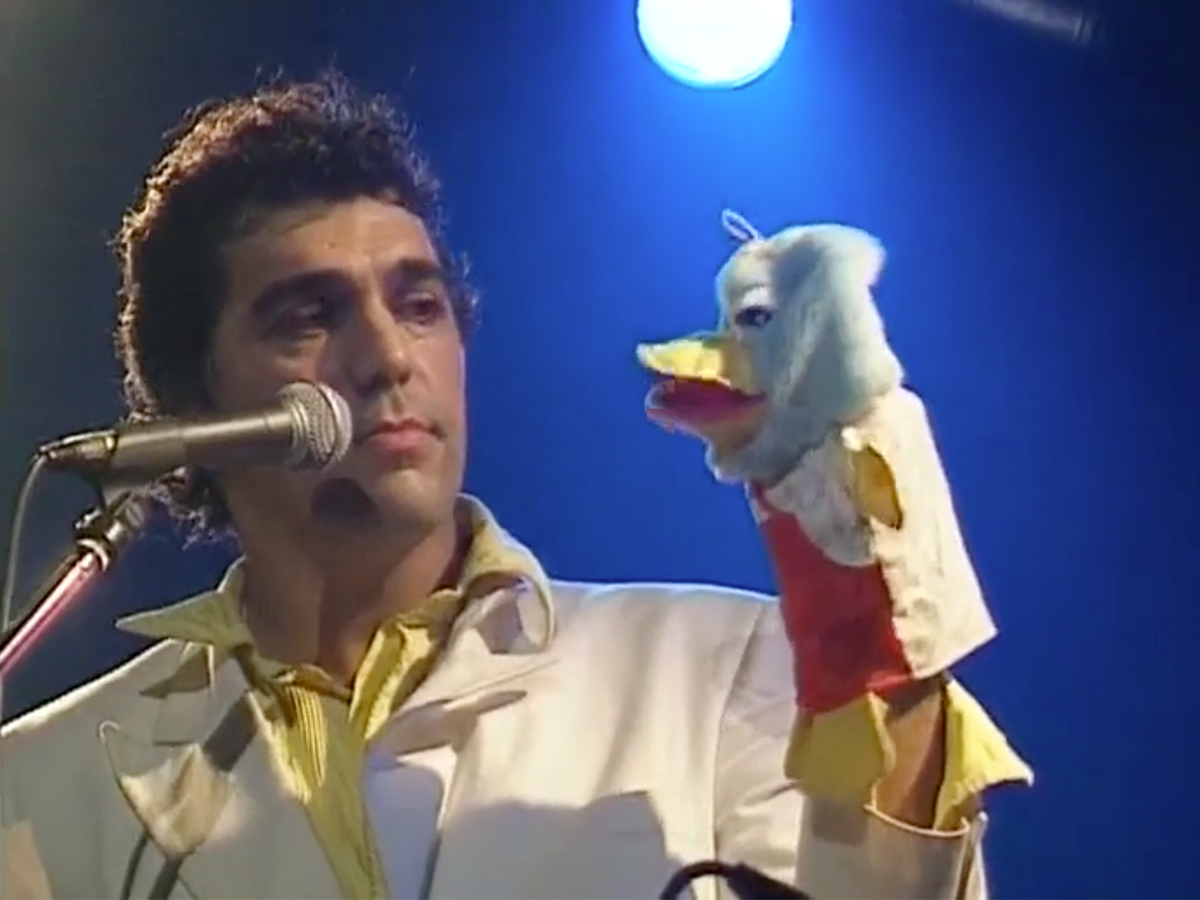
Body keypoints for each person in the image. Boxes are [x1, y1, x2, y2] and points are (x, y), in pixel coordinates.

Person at [0, 71, 1016, 900]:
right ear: (190, 402)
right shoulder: (38, 788)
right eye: (308, 315)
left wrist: (872, 615)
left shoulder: (721, 671)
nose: (386, 355)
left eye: (419, 303)